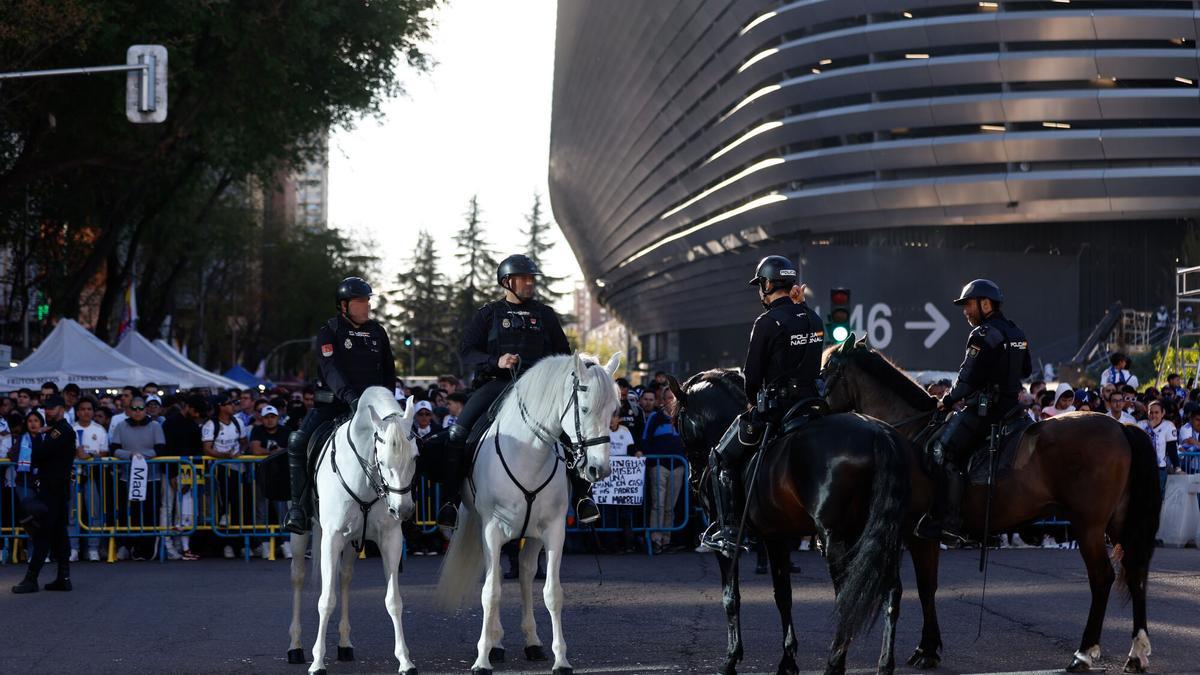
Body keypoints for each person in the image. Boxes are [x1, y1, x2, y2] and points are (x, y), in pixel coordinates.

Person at [442, 254, 592, 529]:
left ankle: (583, 497)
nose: (530, 283)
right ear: (507, 282)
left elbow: (563, 353)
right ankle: (451, 501)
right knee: (458, 433)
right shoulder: (488, 313)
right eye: (524, 278)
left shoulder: (545, 314)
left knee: (571, 436)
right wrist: (495, 361)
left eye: (532, 279)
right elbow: (467, 351)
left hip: (539, 390)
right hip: (497, 384)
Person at [701, 255, 825, 557]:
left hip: (776, 410)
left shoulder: (767, 323)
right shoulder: (814, 318)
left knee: (720, 458)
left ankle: (729, 529)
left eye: (761, 284)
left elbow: (753, 377)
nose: (760, 290)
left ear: (768, 284)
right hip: (813, 407)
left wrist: (751, 399)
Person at [916, 279, 1031, 545]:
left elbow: (966, 379)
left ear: (986, 304)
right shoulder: (1017, 333)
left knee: (941, 451)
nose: (965, 311)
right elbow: (1026, 370)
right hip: (1013, 411)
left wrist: (946, 401)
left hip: (985, 412)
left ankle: (950, 524)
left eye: (968, 305)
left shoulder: (983, 334)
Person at [284, 277, 395, 534]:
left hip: (372, 409)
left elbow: (389, 372)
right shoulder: (329, 331)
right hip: (334, 405)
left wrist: (387, 402)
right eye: (360, 301)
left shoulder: (378, 332)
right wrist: (351, 398)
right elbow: (331, 370)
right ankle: (298, 508)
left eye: (367, 300)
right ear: (344, 305)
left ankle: (403, 507)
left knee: (406, 442)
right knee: (298, 442)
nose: (367, 305)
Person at [11, 396, 77, 594]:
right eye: (46, 408)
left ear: (62, 409)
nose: (48, 412)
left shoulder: (59, 431)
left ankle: (32, 578)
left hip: (53, 490)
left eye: (52, 408)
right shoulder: (56, 430)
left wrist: (40, 435)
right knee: (59, 534)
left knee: (43, 534)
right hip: (55, 488)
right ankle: (63, 578)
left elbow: (39, 454)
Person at [71, 397, 109, 562]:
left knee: (94, 511)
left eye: (89, 409)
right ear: (77, 412)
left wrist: (90, 456)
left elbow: (105, 452)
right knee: (72, 512)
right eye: (82, 409)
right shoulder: (70, 429)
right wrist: (76, 453)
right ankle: (73, 548)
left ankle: (93, 548)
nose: (86, 412)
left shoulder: (99, 430)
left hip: (92, 475)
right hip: (73, 476)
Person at [1139, 400, 1178, 495]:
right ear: (1148, 413)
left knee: (1158, 497)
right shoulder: (1141, 425)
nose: (1154, 415)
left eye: (1157, 412)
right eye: (1151, 412)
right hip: (1143, 467)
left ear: (1163, 413)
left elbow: (1172, 449)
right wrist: (1149, 429)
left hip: (1159, 468)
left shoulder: (1168, 426)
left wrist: (1177, 467)